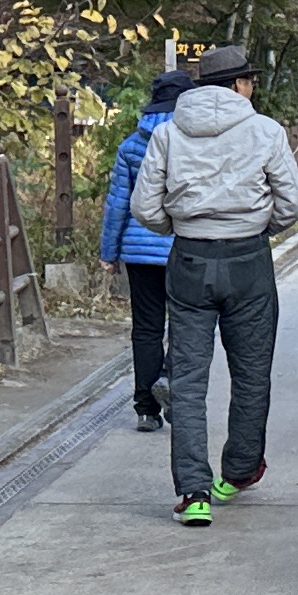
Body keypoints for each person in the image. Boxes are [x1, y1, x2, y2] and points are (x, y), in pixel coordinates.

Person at [135, 43, 298, 524]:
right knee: (251, 371)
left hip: (188, 257)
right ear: (238, 85)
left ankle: (194, 494)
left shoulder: (168, 134)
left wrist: (181, 229)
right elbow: (291, 202)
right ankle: (239, 470)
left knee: (187, 379)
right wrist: (257, 229)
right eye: (250, 80)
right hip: (249, 258)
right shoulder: (265, 131)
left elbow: (146, 207)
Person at [93, 68, 192, 432]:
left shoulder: (132, 145)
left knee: (146, 328)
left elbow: (117, 204)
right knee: (186, 323)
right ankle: (171, 382)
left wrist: (109, 251)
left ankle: (146, 409)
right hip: (186, 246)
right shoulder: (193, 141)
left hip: (139, 251)